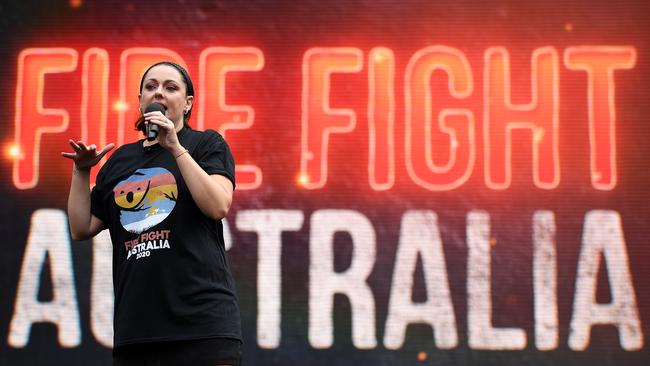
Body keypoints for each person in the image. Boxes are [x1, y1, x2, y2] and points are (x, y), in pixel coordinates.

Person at [62, 61, 242, 366]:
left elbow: (218, 205)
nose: (159, 92)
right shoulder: (120, 161)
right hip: (138, 332)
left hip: (202, 329)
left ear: (187, 104)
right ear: (140, 100)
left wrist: (174, 147)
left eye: (170, 87)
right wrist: (81, 171)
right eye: (151, 86)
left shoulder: (206, 143)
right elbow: (81, 227)